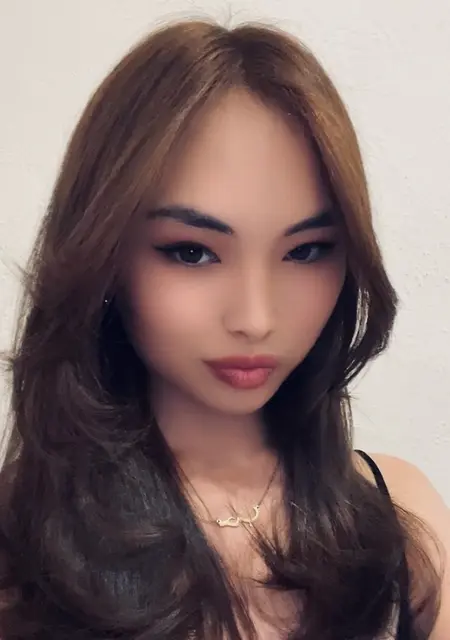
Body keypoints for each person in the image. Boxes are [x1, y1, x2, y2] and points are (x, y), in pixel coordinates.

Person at [0, 18, 448, 640]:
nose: (256, 319)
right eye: (191, 252)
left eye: (306, 251)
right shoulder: (21, 548)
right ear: (102, 254)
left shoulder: (401, 519)